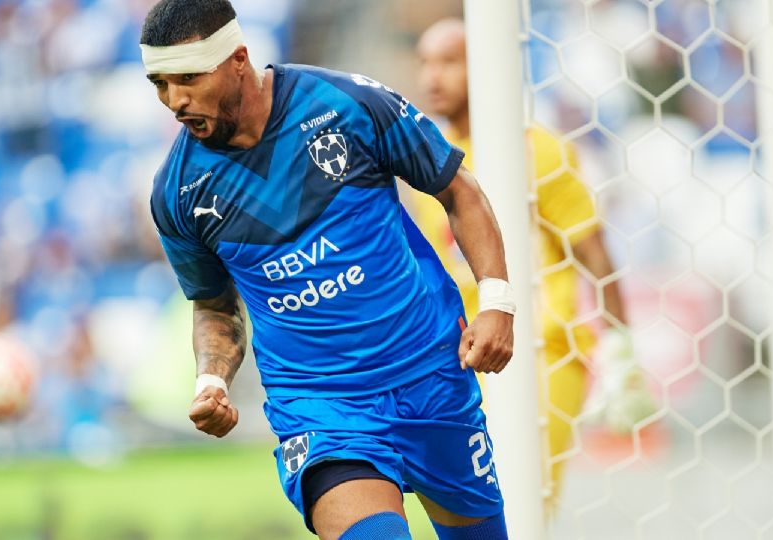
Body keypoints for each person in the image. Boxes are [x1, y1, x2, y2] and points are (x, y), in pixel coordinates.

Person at [142, 1, 515, 538]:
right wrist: (211, 379)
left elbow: (457, 190)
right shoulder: (177, 192)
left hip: (429, 374)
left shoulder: (347, 103)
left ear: (238, 60)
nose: (174, 101)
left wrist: (497, 302)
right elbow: (214, 303)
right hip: (322, 407)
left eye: (188, 78)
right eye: (160, 83)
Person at [415, 18, 656, 514]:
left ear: (487, 66)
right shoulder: (428, 160)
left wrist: (621, 349)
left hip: (545, 350)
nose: (432, 77)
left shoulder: (536, 149)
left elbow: (596, 254)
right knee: (474, 507)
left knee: (522, 503)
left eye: (449, 61)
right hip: (465, 356)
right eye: (425, 62)